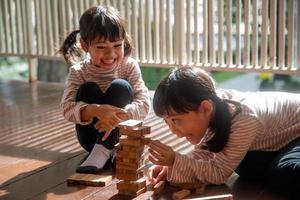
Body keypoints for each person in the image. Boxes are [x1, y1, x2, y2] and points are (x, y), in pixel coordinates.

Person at [147, 66, 300, 197]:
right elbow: (204, 154)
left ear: (205, 108)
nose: (173, 130)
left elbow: (219, 174)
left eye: (175, 120)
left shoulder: (244, 118)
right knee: (244, 165)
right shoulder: (212, 108)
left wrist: (175, 160)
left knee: (283, 173)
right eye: (166, 122)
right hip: (279, 137)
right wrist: (168, 167)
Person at [59, 5, 150, 174]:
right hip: (91, 138)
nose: (111, 54)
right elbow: (66, 108)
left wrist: (117, 116)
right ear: (85, 45)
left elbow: (144, 104)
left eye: (117, 45)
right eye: (101, 47)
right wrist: (97, 110)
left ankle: (109, 148)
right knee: (88, 89)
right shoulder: (79, 72)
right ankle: (101, 149)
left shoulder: (128, 67)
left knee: (120, 87)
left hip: (122, 134)